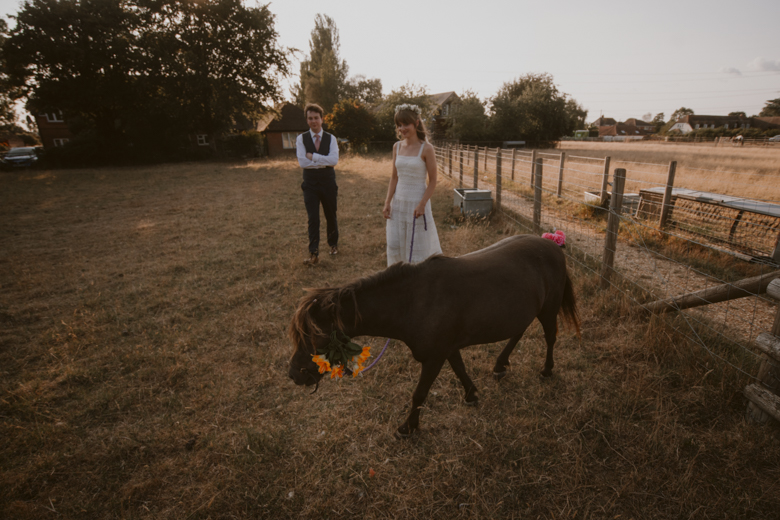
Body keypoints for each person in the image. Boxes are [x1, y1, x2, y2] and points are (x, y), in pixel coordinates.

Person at [382, 104, 442, 265]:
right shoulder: (397, 146)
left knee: (416, 247)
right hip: (398, 203)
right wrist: (387, 202)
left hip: (417, 204)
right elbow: (394, 177)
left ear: (416, 123)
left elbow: (433, 180)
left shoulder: (426, 148)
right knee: (396, 244)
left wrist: (422, 204)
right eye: (399, 125)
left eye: (406, 124)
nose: (402, 129)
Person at [297, 103, 339, 265]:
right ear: (307, 120)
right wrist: (323, 161)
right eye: (310, 118)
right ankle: (313, 253)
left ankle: (333, 245)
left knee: (331, 215)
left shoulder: (331, 138)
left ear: (322, 119)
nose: (313, 121)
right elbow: (302, 163)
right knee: (313, 218)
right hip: (310, 185)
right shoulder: (301, 139)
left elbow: (334, 160)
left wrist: (313, 157)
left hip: (328, 183)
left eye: (316, 118)